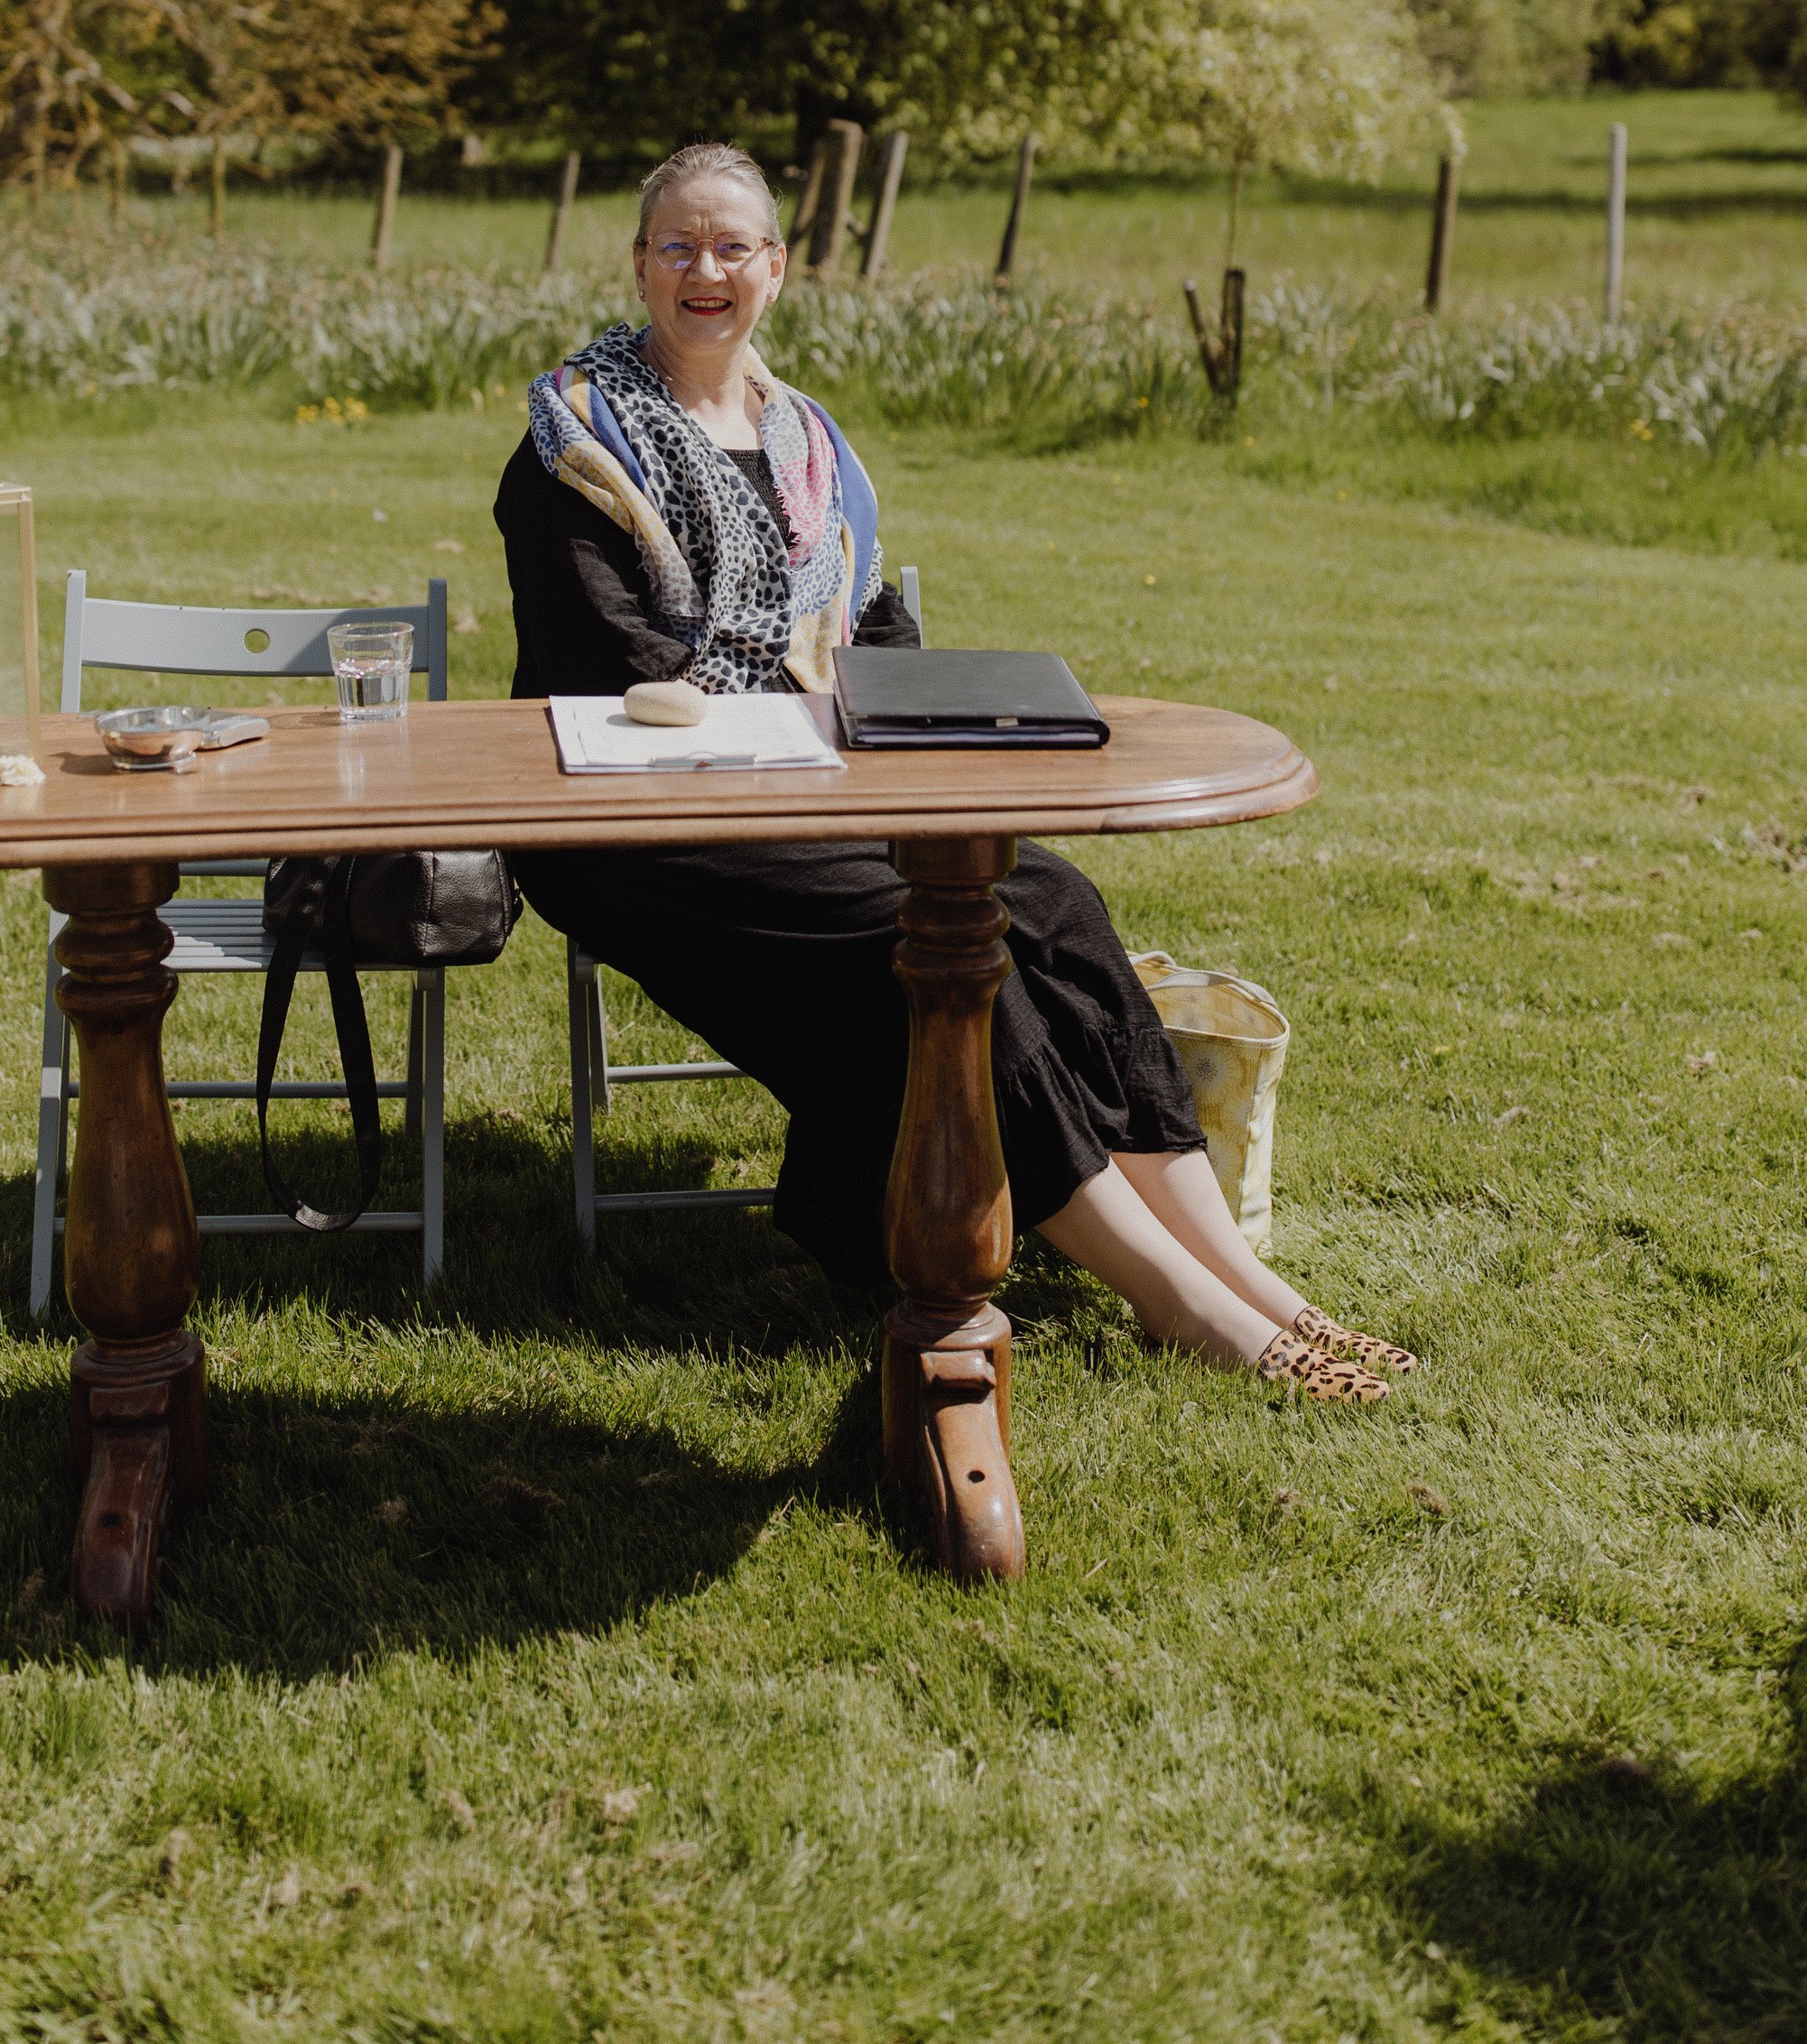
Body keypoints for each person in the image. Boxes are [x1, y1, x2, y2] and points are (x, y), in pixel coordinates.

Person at [496, 138, 1416, 1406]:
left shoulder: (811, 444)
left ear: (774, 267)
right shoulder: (576, 443)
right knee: (930, 945)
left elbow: (872, 640)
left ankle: (1256, 1284)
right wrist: (809, 723)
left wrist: (886, 717)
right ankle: (1183, 1301)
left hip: (823, 793)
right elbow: (616, 671)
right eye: (677, 245)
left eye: (732, 246)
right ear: (638, 263)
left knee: (1053, 906)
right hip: (637, 827)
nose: (704, 270)